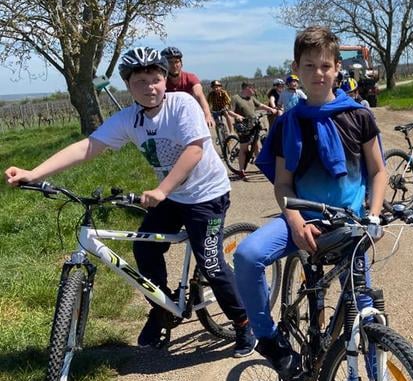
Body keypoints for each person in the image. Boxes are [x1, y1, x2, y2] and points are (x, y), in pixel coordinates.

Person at [5, 47, 257, 357]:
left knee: (211, 263)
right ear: (128, 85)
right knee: (144, 247)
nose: (150, 87)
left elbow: (194, 150)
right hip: (173, 195)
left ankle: (244, 323)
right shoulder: (129, 119)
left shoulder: (182, 104)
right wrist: (33, 172)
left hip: (207, 194)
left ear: (165, 79)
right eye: (140, 82)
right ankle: (162, 307)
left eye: (156, 79)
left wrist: (161, 190)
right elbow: (88, 146)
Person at [233, 26, 387, 377]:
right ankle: (268, 338)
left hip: (351, 224)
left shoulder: (359, 116)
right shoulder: (288, 123)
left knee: (365, 309)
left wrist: (374, 216)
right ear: (295, 69)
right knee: (247, 255)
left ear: (337, 69)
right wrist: (295, 220)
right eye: (309, 66)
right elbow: (283, 183)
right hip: (303, 219)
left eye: (325, 66)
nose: (318, 73)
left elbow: (379, 171)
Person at [161, 46, 215, 129]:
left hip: (189, 116)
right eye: (170, 62)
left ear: (181, 64)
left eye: (177, 62)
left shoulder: (190, 77)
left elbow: (199, 95)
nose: (174, 65)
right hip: (167, 118)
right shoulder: (161, 81)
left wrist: (207, 115)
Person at [230, 82, 271, 180]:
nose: (254, 90)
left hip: (253, 125)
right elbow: (230, 111)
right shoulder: (236, 98)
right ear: (247, 88)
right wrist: (237, 116)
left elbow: (260, 105)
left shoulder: (251, 98)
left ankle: (261, 166)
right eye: (253, 88)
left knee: (256, 146)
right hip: (243, 126)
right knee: (244, 149)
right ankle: (241, 170)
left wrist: (270, 109)